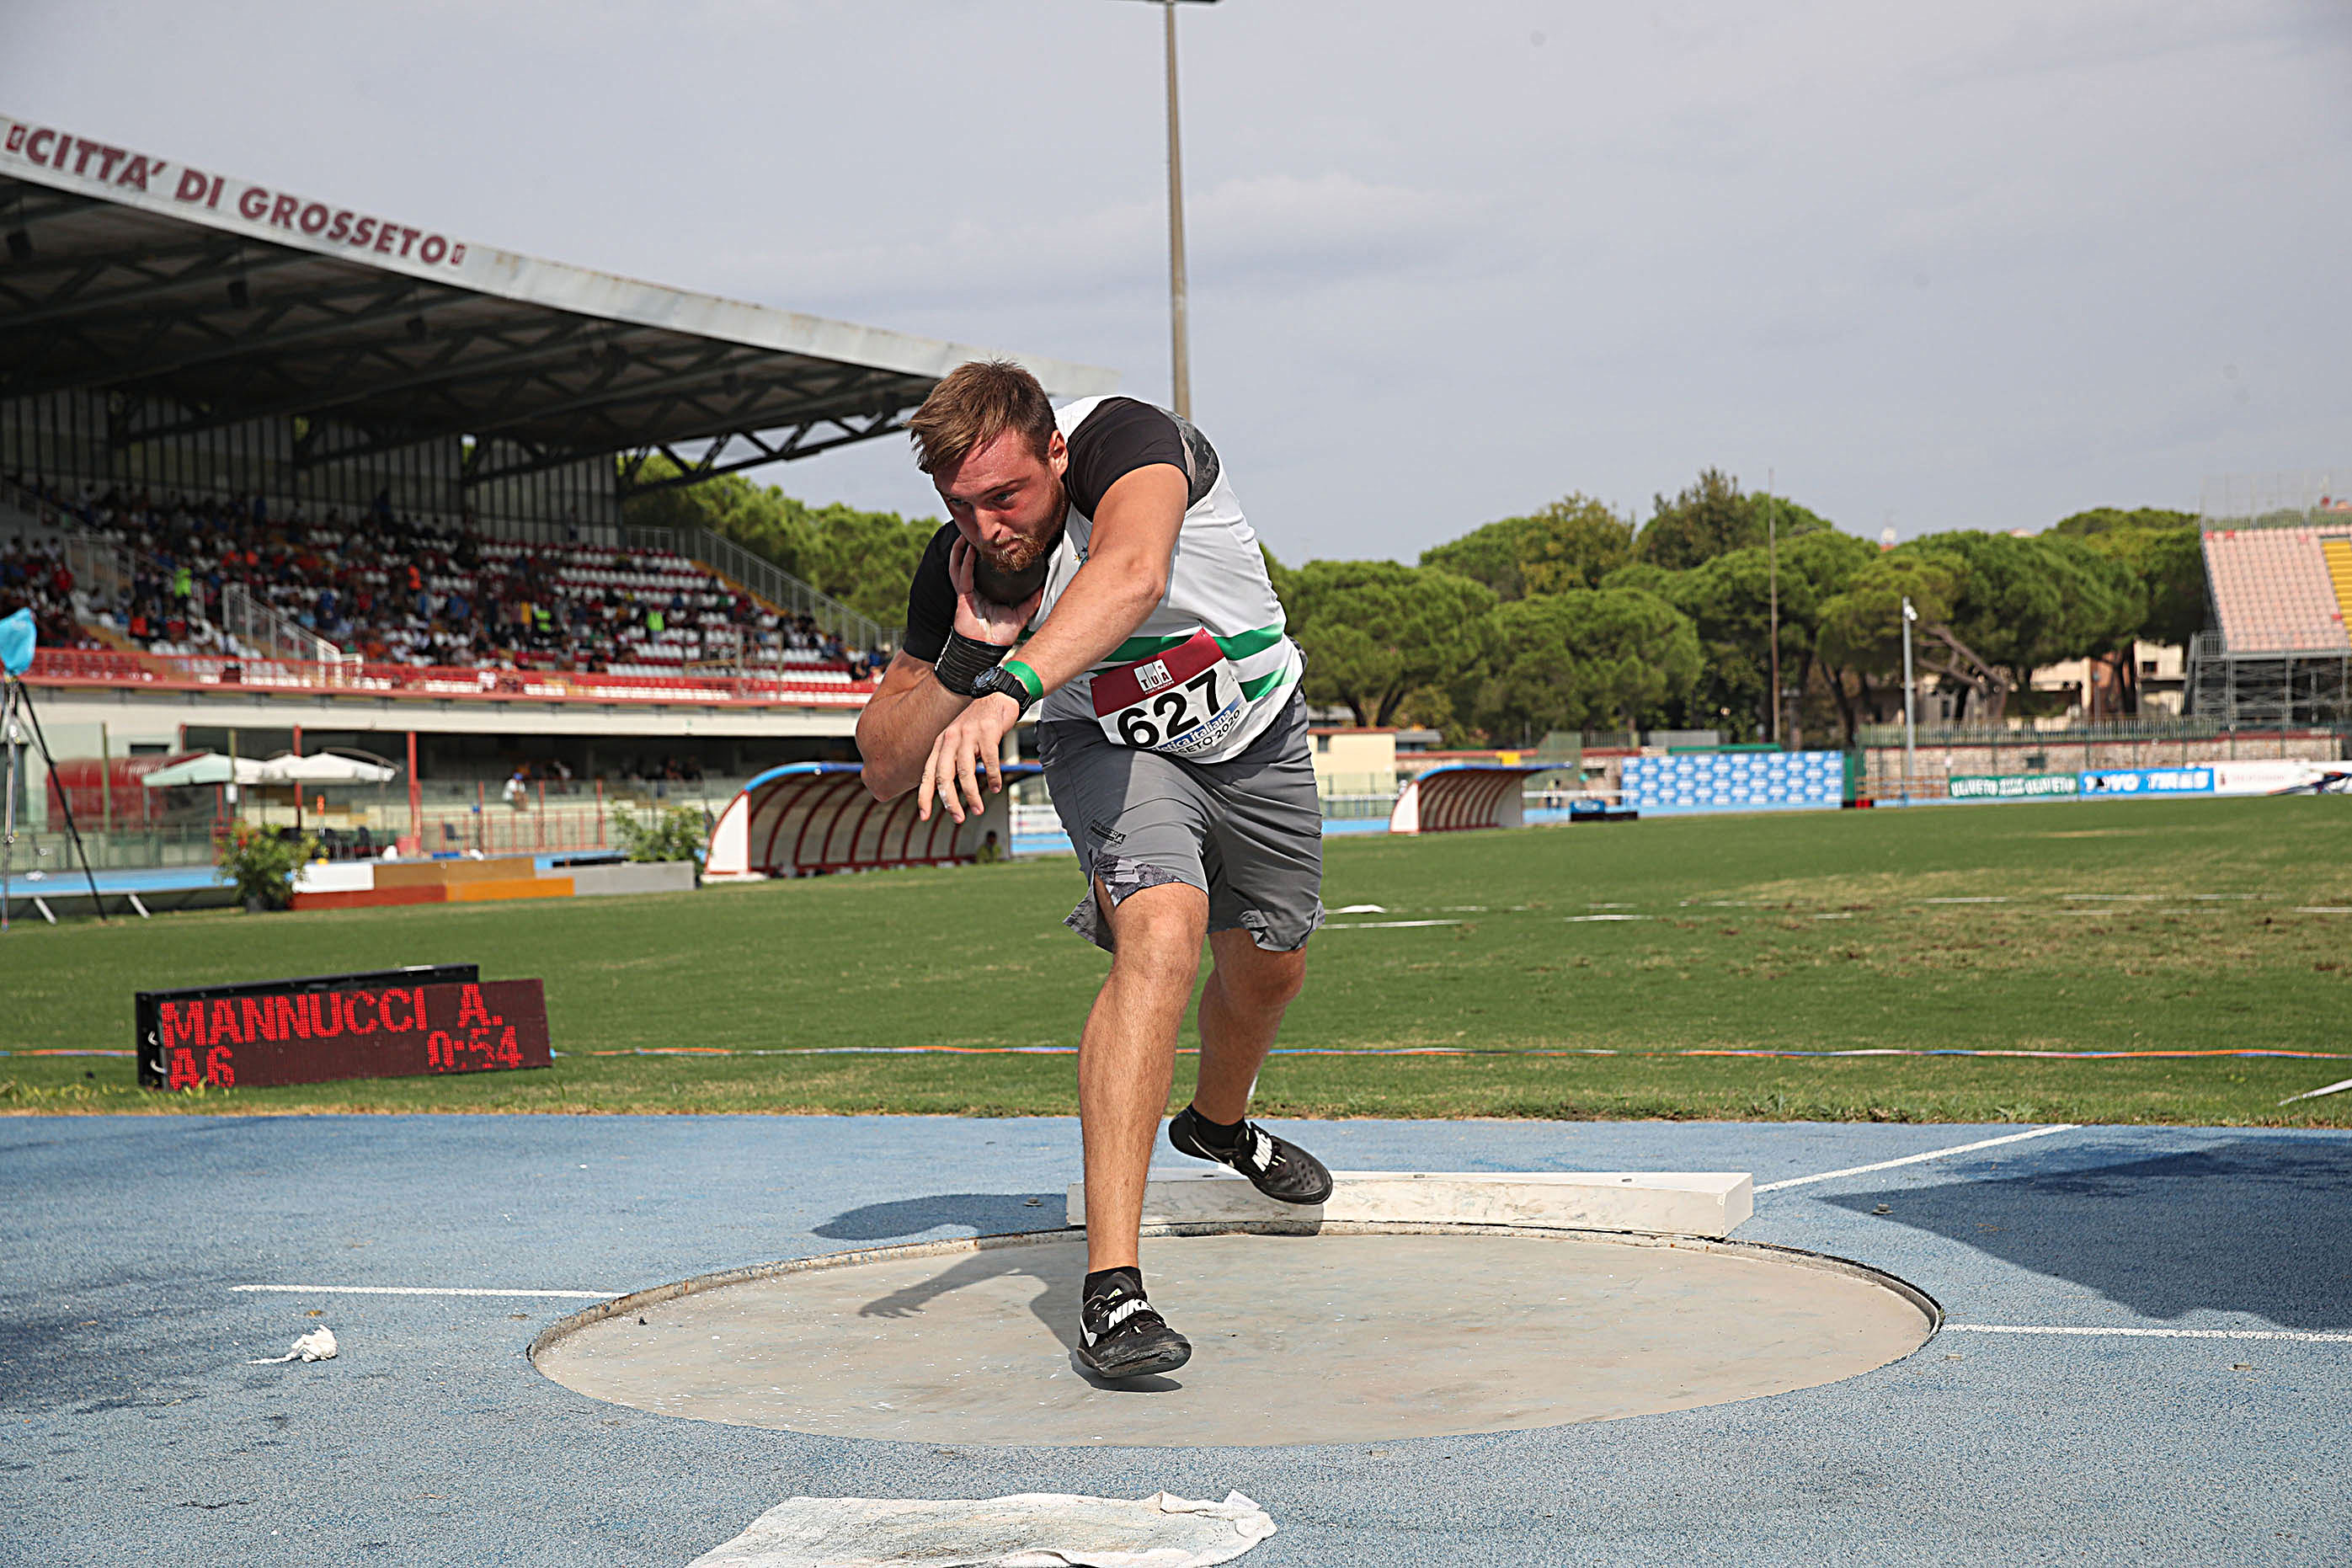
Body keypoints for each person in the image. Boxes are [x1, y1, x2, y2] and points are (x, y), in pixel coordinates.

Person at [856, 360, 1331, 1382]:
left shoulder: (1131, 441)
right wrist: (964, 661)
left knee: (1270, 969)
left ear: (1058, 452)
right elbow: (884, 762)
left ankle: (1217, 1124)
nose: (987, 527)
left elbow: (1134, 573)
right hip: (1112, 747)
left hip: (1255, 731)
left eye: (1006, 496)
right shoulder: (965, 566)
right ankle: (1114, 1293)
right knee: (1160, 932)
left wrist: (1007, 689)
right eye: (959, 506)